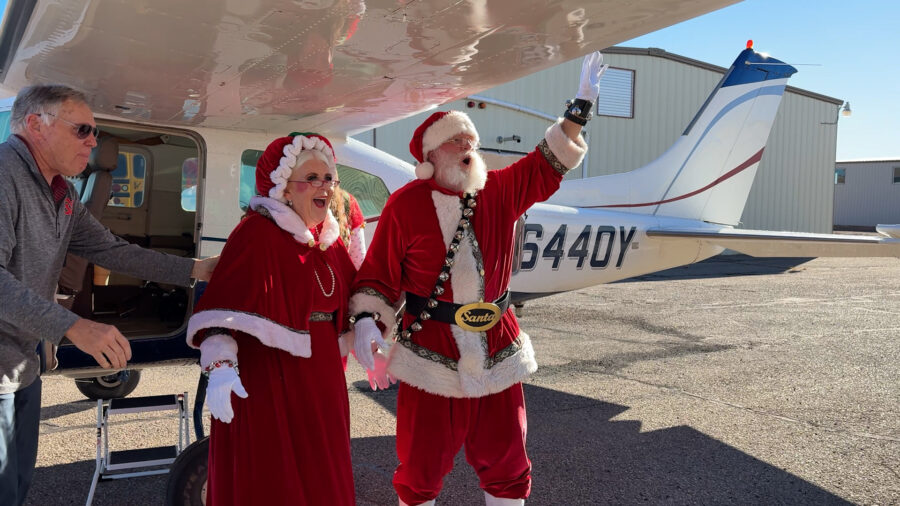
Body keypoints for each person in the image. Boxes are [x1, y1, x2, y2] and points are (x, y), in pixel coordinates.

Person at [349, 52, 608, 505]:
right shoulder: (405, 205)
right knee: (421, 465)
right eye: (456, 141)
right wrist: (369, 323)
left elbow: (548, 162)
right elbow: (379, 276)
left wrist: (579, 109)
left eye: (471, 139)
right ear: (431, 156)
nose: (469, 147)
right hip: (430, 352)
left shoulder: (500, 191)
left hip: (498, 348)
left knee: (508, 462)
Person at [0, 84, 218, 506]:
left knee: (16, 489)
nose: (93, 142)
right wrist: (75, 327)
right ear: (34, 125)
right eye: (82, 129)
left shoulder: (60, 193)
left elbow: (111, 250)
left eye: (94, 132)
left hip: (21, 369)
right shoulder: (4, 174)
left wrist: (193, 270)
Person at [185, 132, 357, 505]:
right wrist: (220, 365)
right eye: (310, 178)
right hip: (272, 377)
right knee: (273, 474)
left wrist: (370, 325)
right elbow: (223, 307)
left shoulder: (329, 240)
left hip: (323, 374)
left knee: (322, 469)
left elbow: (355, 293)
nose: (323, 186)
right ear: (284, 189)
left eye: (328, 178)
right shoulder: (256, 233)